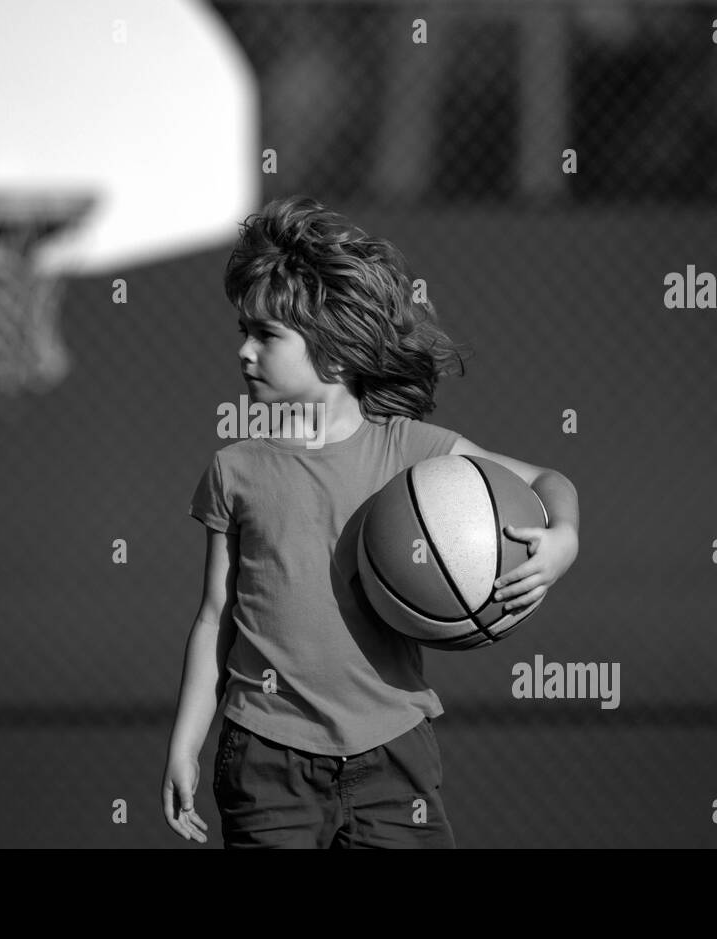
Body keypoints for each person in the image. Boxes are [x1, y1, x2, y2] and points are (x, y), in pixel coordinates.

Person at [162, 196, 580, 848]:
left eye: (266, 336)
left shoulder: (411, 451)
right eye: (242, 330)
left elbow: (549, 481)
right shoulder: (234, 469)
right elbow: (216, 614)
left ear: (333, 354)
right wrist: (186, 743)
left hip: (392, 751)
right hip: (266, 754)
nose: (244, 352)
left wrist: (564, 540)